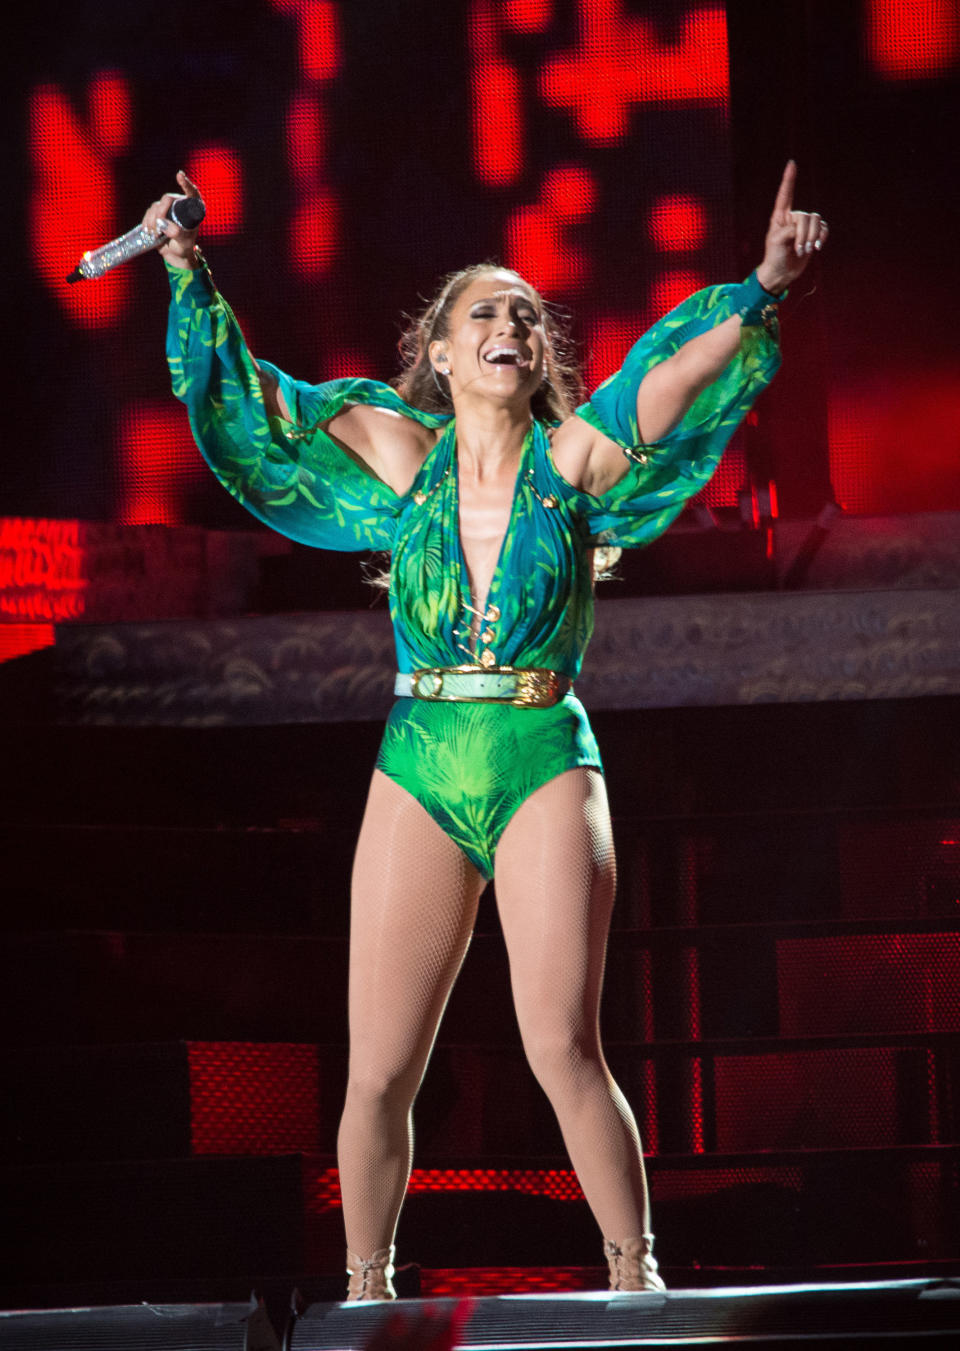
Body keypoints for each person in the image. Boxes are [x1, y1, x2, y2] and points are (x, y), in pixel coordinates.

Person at [147, 162, 827, 1300]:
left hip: (538, 758)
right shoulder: (395, 456)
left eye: (524, 313)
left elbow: (673, 377)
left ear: (536, 359)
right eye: (485, 312)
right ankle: (369, 1292)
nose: (510, 322)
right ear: (448, 355)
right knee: (376, 1073)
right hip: (419, 761)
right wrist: (182, 266)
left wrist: (761, 288)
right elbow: (256, 403)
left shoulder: (575, 466)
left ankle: (633, 1280)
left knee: (560, 1043)